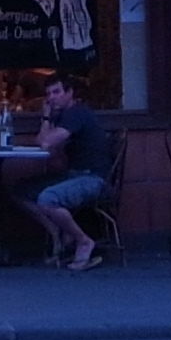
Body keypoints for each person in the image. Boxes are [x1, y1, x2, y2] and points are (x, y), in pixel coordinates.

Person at [27, 74, 120, 272]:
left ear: (70, 93)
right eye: (48, 94)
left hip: (93, 178)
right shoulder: (62, 116)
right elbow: (46, 147)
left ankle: (83, 241)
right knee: (21, 191)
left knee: (48, 198)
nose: (51, 98)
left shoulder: (76, 113)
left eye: (56, 92)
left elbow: (45, 142)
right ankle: (58, 234)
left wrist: (46, 118)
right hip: (74, 175)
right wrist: (47, 119)